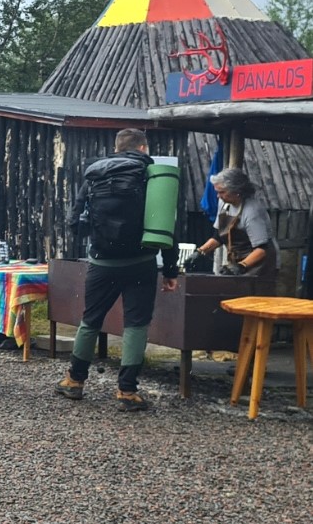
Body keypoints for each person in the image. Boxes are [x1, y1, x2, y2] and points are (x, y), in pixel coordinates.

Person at [58, 128, 179, 412]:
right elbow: (167, 228)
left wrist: (101, 231)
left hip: (102, 263)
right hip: (141, 264)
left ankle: (74, 382)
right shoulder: (154, 175)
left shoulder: (94, 175)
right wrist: (171, 271)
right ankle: (127, 390)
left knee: (91, 320)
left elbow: (75, 224)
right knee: (135, 324)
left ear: (116, 148)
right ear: (142, 148)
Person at [192, 168, 279, 278]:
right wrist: (200, 252)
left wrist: (241, 266)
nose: (218, 196)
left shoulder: (252, 211)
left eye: (222, 192)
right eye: (217, 192)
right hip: (239, 262)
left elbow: (262, 250)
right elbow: (218, 236)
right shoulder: (224, 204)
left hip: (261, 265)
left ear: (237, 191)